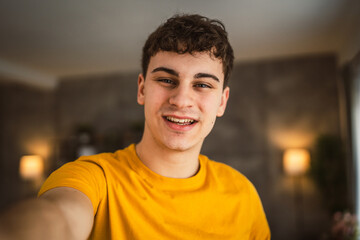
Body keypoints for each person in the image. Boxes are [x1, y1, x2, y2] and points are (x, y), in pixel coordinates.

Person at [0, 14, 270, 239]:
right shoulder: (93, 178)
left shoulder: (243, 193)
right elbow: (60, 218)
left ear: (222, 102)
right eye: (166, 80)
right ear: (142, 89)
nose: (181, 100)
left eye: (202, 84)